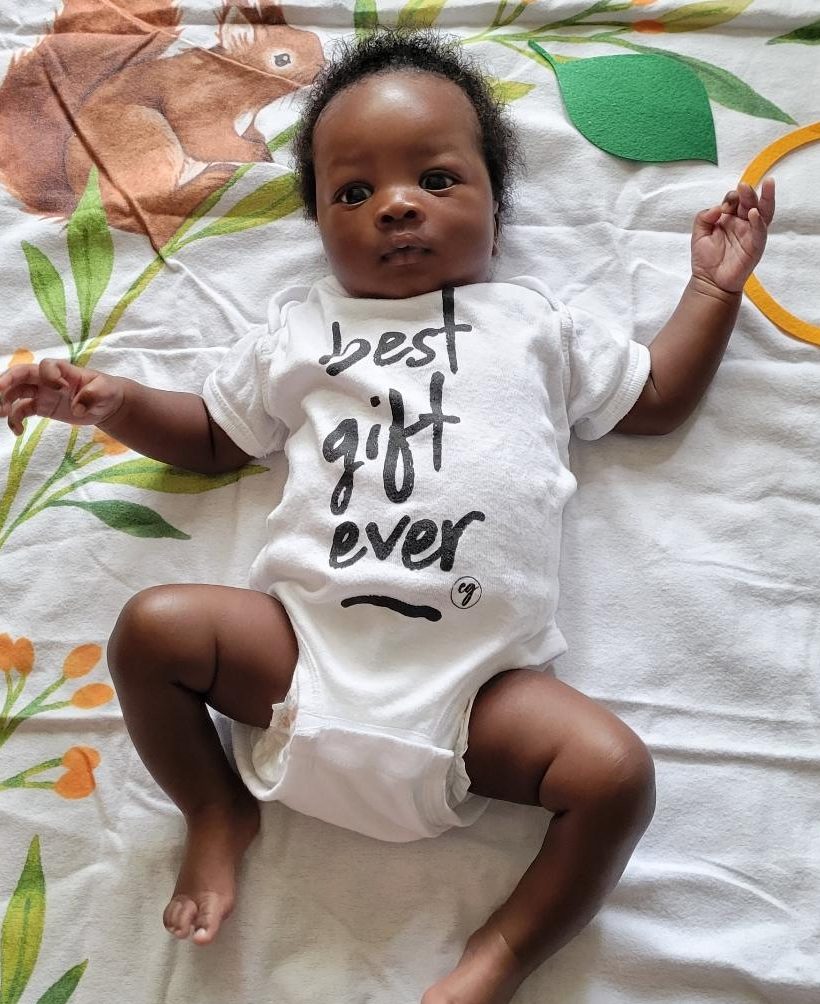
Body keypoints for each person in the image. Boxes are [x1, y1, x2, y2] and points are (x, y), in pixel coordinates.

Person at [0, 28, 775, 1004]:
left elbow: (654, 392)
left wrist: (710, 286)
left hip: (475, 696)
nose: (396, 204)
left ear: (496, 201)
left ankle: (500, 952)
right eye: (352, 193)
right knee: (151, 627)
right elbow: (213, 434)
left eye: (436, 179)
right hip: (300, 660)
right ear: (320, 223)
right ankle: (213, 807)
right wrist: (112, 402)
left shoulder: (534, 322)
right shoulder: (300, 328)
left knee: (615, 774)